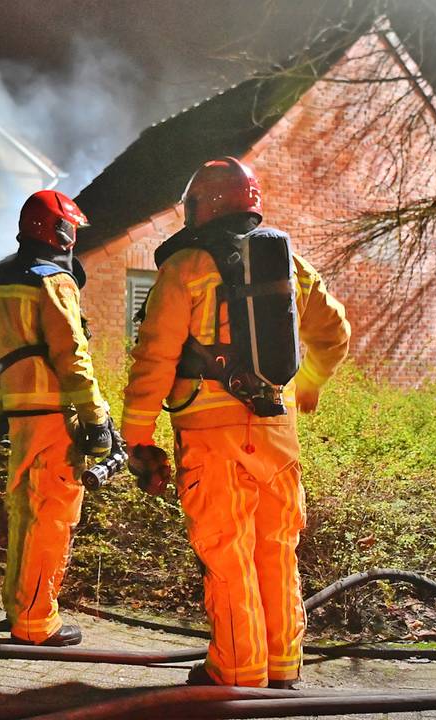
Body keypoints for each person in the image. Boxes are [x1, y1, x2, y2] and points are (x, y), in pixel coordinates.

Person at [121, 157, 351, 688]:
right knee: (276, 548)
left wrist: (137, 436)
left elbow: (154, 358)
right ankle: (283, 665)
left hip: (211, 438)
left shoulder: (185, 268)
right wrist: (308, 386)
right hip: (278, 435)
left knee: (227, 551)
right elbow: (334, 333)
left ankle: (236, 670)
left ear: (204, 205)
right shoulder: (289, 264)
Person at [0, 189, 112, 646]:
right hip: (53, 418)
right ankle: (37, 622)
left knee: (24, 512)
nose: (74, 238)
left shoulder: (5, 282)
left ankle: (18, 606)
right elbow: (72, 355)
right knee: (52, 517)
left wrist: (4, 412)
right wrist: (95, 417)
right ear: (58, 231)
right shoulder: (54, 282)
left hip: (22, 415)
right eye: (71, 229)